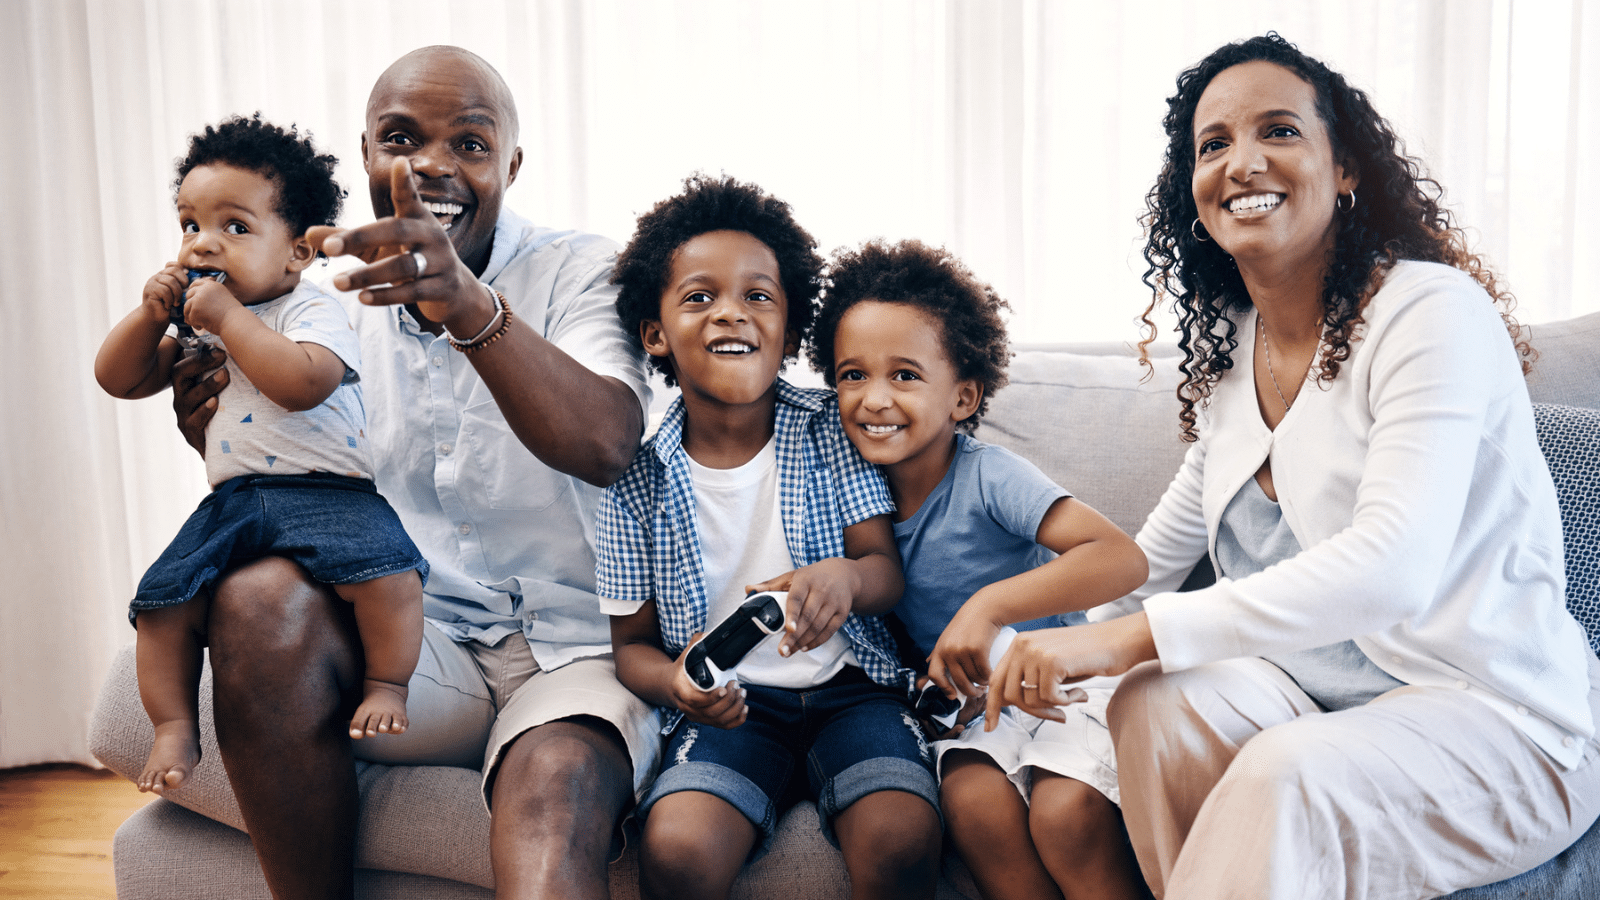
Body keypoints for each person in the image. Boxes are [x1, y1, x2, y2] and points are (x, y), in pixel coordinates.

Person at [983, 33, 1600, 899]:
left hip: (1497, 716)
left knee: (1284, 772)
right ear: (1190, 192)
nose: (1242, 162)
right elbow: (1142, 567)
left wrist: (1126, 638)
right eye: (1214, 144)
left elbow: (1393, 565)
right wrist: (1014, 643)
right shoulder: (1243, 353)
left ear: (1344, 167)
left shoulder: (1430, 313)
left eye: (1278, 131)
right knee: (1151, 704)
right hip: (1316, 705)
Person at [169, 47, 658, 900]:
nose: (431, 164)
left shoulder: (580, 269)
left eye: (469, 144)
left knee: (557, 782)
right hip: (412, 646)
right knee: (252, 598)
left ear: (511, 162)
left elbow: (608, 442)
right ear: (365, 155)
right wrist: (211, 427)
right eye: (400, 138)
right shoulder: (312, 299)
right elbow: (292, 469)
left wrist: (466, 305)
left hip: (575, 653)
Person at [598, 175, 943, 900]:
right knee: (679, 850)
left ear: (788, 328)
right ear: (654, 332)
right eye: (700, 296)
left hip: (854, 693)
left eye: (758, 296)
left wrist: (845, 579)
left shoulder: (830, 430)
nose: (732, 313)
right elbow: (630, 647)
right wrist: (677, 686)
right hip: (730, 709)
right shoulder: (636, 477)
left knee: (902, 836)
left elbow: (883, 569)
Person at [95, 114, 428, 796]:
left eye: (234, 227)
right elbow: (119, 379)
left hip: (329, 494)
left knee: (390, 577)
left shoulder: (309, 312)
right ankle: (172, 726)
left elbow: (303, 383)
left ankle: (388, 685)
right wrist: (148, 318)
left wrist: (225, 320)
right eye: (191, 225)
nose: (202, 244)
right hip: (236, 502)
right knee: (162, 604)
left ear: (298, 254)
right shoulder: (201, 316)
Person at [809, 239, 1149, 900]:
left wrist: (987, 607)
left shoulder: (988, 475)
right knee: (971, 806)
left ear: (962, 397)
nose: (873, 399)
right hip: (976, 714)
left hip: (1062, 684)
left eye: (904, 375)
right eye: (852, 375)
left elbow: (1119, 558)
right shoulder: (843, 498)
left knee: (1064, 815)